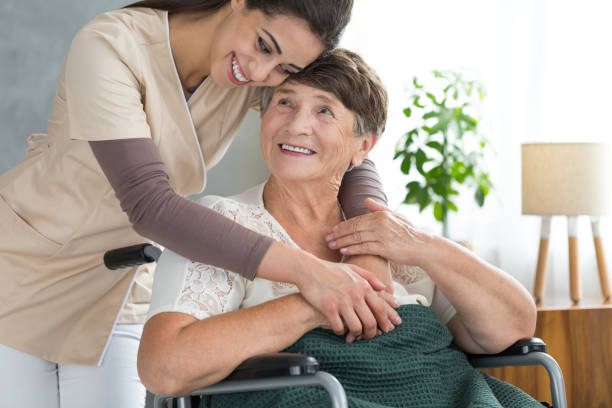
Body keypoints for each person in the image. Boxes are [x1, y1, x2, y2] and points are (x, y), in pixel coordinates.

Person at [0, 1, 399, 407]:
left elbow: (348, 136)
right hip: (27, 271)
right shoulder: (111, 46)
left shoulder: (263, 65)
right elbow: (149, 204)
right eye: (263, 45)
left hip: (121, 284)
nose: (261, 74)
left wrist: (368, 241)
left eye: (285, 70)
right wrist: (310, 272)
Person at [138, 49, 539, 407]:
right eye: (284, 102)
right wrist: (319, 303)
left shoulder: (392, 238)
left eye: (324, 110)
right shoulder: (222, 224)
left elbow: (510, 329)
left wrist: (426, 247)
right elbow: (164, 367)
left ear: (363, 146)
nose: (296, 125)